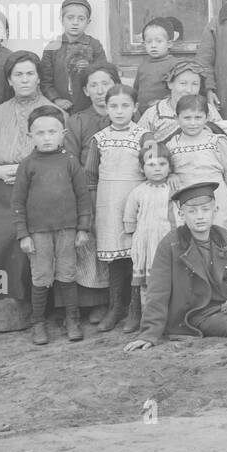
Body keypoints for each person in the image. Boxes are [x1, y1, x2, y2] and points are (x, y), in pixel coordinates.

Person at [0, 51, 107, 330]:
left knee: (42, 236)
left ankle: (37, 306)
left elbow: (69, 160)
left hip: (46, 191)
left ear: (39, 77)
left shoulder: (58, 114)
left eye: (30, 73)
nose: (25, 79)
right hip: (0, 191)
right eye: (18, 74)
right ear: (10, 80)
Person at [123, 181, 227, 350]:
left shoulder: (224, 236)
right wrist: (149, 334)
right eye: (192, 211)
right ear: (181, 214)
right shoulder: (171, 244)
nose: (200, 216)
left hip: (226, 304)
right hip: (196, 314)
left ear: (215, 211)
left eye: (205, 209)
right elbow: (158, 291)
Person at [13, 104, 93, 344]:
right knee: (42, 275)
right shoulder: (27, 165)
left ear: (63, 134)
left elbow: (83, 196)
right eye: (40, 133)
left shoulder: (70, 162)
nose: (47, 138)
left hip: (67, 229)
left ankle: (72, 319)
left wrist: (82, 228)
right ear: (30, 136)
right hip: (38, 232)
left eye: (52, 132)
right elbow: (17, 202)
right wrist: (23, 234)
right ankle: (38, 322)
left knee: (67, 273)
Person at [84, 84, 149, 331]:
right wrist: (93, 210)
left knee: (134, 256)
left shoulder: (144, 137)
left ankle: (135, 310)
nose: (119, 111)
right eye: (114, 106)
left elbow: (154, 168)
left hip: (134, 202)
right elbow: (90, 177)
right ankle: (115, 308)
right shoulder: (99, 140)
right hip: (108, 204)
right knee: (114, 259)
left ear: (135, 108)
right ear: (106, 108)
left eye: (125, 106)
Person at [163, 94, 227, 237]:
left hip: (217, 201)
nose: (193, 123)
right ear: (177, 118)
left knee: (218, 238)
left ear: (207, 118)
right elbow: (164, 170)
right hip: (187, 202)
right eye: (187, 118)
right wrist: (171, 174)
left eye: (198, 117)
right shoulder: (171, 146)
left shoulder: (217, 142)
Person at [119, 143, 177, 336]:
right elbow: (129, 216)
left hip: (168, 242)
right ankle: (149, 322)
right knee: (148, 285)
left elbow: (182, 213)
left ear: (170, 166)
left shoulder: (174, 188)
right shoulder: (139, 191)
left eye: (162, 163)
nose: (157, 168)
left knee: (172, 282)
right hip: (146, 244)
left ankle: (172, 320)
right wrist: (131, 235)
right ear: (142, 169)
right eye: (151, 164)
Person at [137, 60, 227, 149]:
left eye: (195, 84)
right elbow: (138, 144)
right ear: (170, 84)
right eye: (183, 83)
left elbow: (222, 140)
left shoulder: (208, 110)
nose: (189, 90)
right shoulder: (154, 113)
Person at [39, 0, 106, 114]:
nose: (75, 22)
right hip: (60, 109)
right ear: (61, 19)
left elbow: (103, 75)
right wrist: (56, 99)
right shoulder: (52, 47)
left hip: (90, 106)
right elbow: (45, 81)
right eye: (70, 18)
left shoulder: (95, 46)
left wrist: (88, 69)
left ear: (88, 22)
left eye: (81, 19)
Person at [62, 62, 120, 164]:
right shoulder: (77, 122)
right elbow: (71, 161)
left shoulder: (131, 116)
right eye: (93, 85)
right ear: (86, 91)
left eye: (105, 84)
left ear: (116, 86)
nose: (100, 91)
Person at [132, 16, 184, 112]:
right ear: (144, 44)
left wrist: (163, 103)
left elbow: (178, 91)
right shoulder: (143, 65)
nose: (153, 45)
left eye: (159, 41)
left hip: (164, 112)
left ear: (169, 44)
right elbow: (136, 89)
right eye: (149, 42)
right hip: (142, 112)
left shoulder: (174, 64)